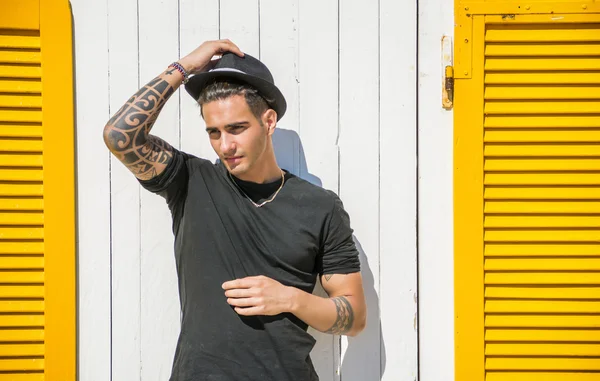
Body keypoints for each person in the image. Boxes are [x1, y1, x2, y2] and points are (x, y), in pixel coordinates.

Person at [103, 39, 366, 381]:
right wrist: (183, 68)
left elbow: (355, 317)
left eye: (237, 129)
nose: (225, 145)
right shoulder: (190, 182)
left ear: (268, 121)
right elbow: (120, 135)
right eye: (214, 133)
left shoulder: (320, 206)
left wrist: (289, 299)